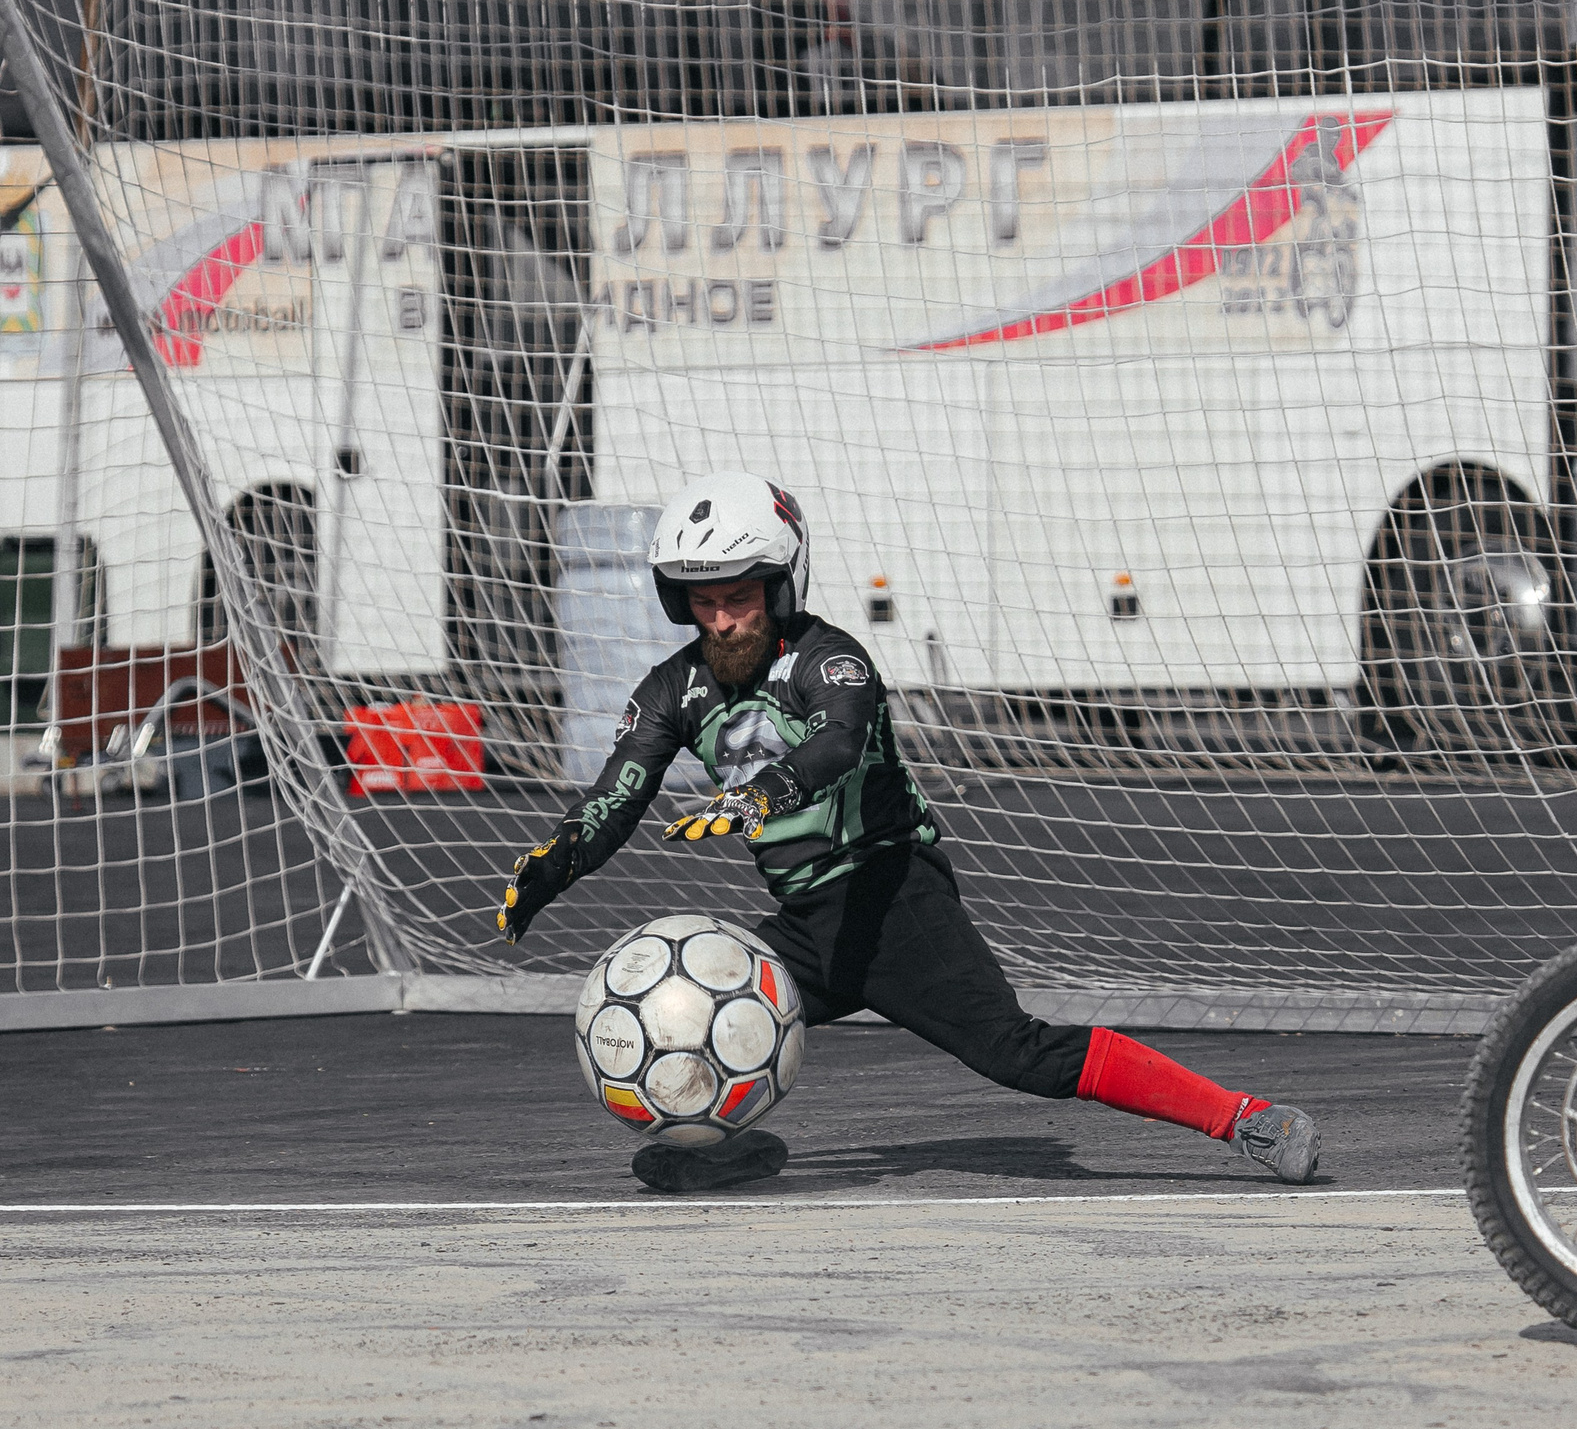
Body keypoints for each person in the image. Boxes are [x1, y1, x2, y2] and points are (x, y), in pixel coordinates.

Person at [495, 471, 1321, 1193]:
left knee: (1017, 1053)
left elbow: (838, 740)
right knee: (691, 1016)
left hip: (892, 898)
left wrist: (762, 795)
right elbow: (617, 795)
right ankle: (720, 1155)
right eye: (703, 603)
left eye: (739, 599)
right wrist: (556, 865)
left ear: (780, 588)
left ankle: (1247, 1118)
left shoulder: (831, 658)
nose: (721, 622)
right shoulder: (672, 687)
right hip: (810, 925)